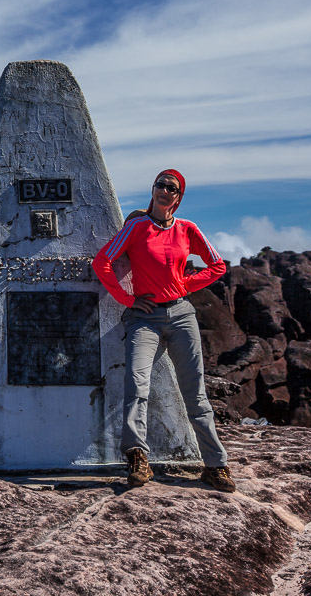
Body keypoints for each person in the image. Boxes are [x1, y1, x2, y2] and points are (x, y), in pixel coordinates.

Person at [91, 169, 236, 493]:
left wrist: (185, 283)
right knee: (136, 383)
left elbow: (218, 266)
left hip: (182, 315)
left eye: (172, 188)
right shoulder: (137, 227)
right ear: (153, 190)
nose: (165, 191)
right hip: (144, 318)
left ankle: (216, 466)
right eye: (160, 185)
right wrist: (127, 298)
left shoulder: (188, 229)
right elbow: (102, 262)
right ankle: (138, 457)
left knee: (195, 394)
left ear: (178, 197)